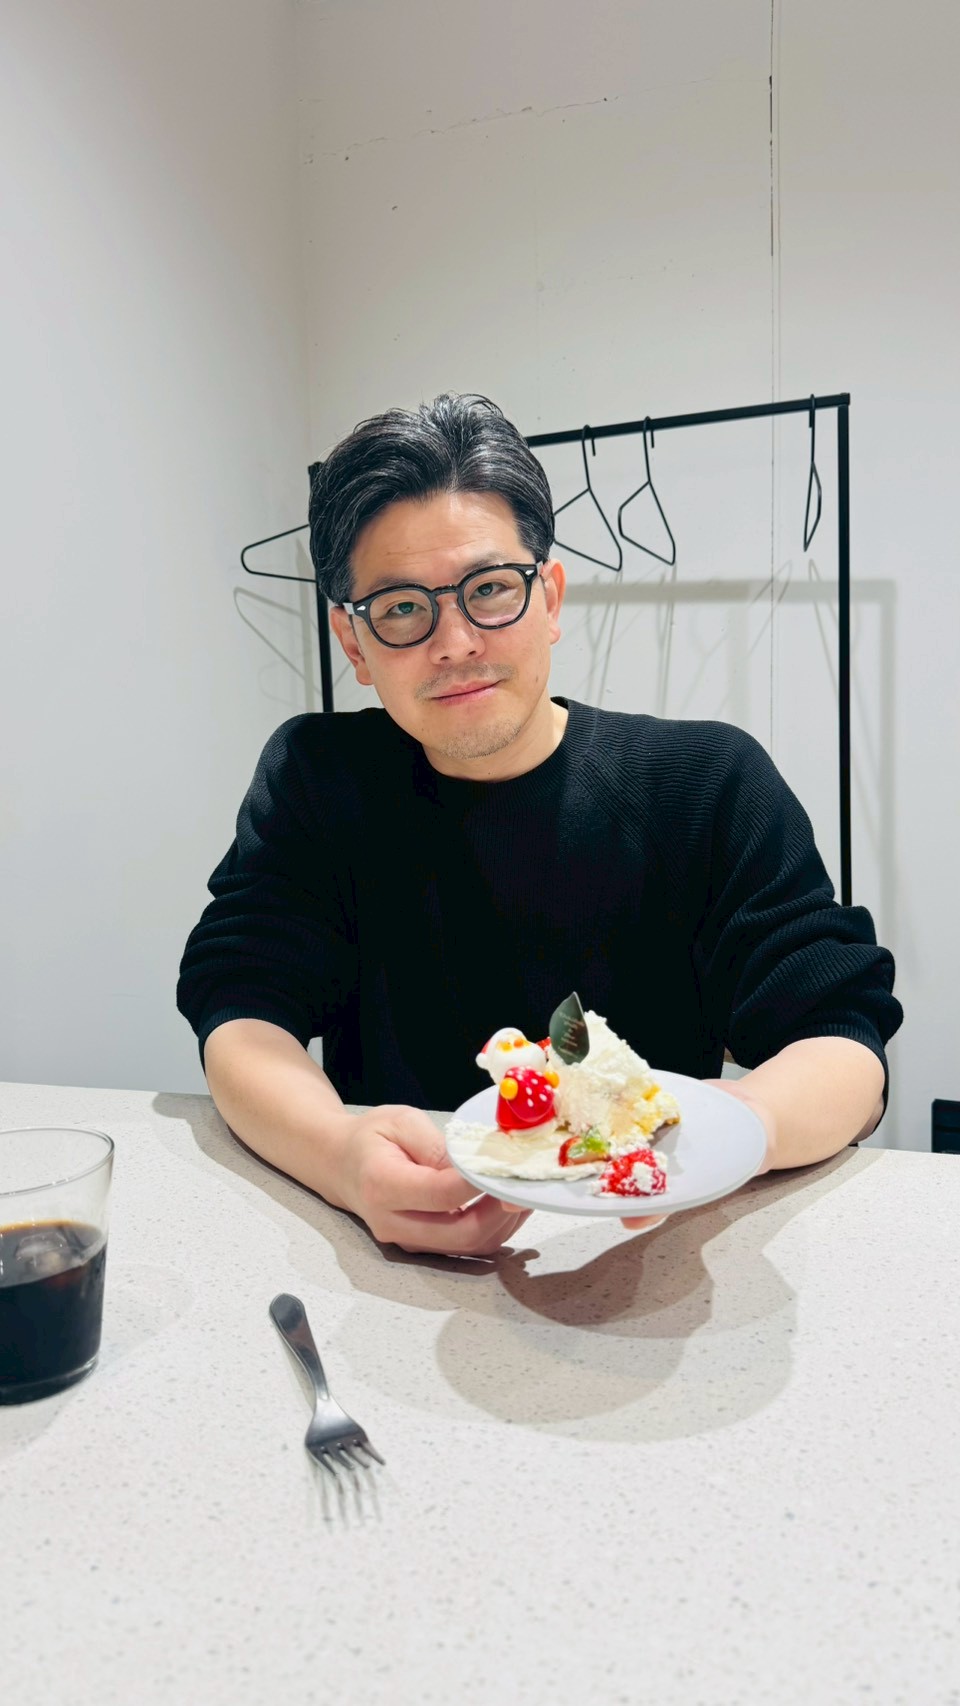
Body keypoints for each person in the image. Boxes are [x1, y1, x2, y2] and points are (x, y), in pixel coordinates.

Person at [177, 393, 902, 1255]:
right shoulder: (318, 778)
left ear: (550, 598)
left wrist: (737, 1127)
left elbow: (842, 1041)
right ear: (354, 643)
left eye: (489, 589)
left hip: (646, 1249)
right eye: (402, 608)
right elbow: (241, 1008)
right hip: (390, 1255)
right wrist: (338, 1155)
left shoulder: (706, 783)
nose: (455, 641)